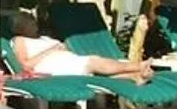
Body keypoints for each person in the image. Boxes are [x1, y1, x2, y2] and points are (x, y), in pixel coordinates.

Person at [10, 13, 158, 82]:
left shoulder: (44, 38)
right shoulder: (19, 40)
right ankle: (138, 66)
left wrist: (62, 49)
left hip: (67, 63)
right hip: (48, 69)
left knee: (97, 72)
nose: (34, 24)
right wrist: (52, 50)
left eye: (33, 21)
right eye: (30, 22)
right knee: (93, 61)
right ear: (20, 27)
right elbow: (26, 64)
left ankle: (137, 76)